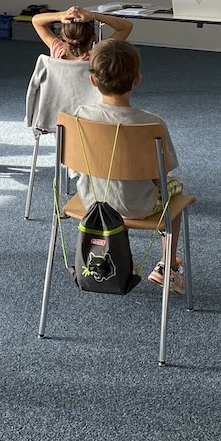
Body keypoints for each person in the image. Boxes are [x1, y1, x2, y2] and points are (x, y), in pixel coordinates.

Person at [71, 38, 185, 293]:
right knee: (176, 197)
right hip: (136, 206)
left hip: (91, 202)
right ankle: (167, 267)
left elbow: (73, 167)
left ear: (93, 81)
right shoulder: (151, 123)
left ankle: (118, 257)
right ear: (137, 79)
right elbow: (160, 176)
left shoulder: (79, 116)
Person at [32, 5, 132, 61]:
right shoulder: (98, 56)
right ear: (93, 37)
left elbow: (36, 21)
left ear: (64, 35)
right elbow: (126, 27)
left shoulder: (58, 51)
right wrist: (94, 16)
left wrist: (61, 15)